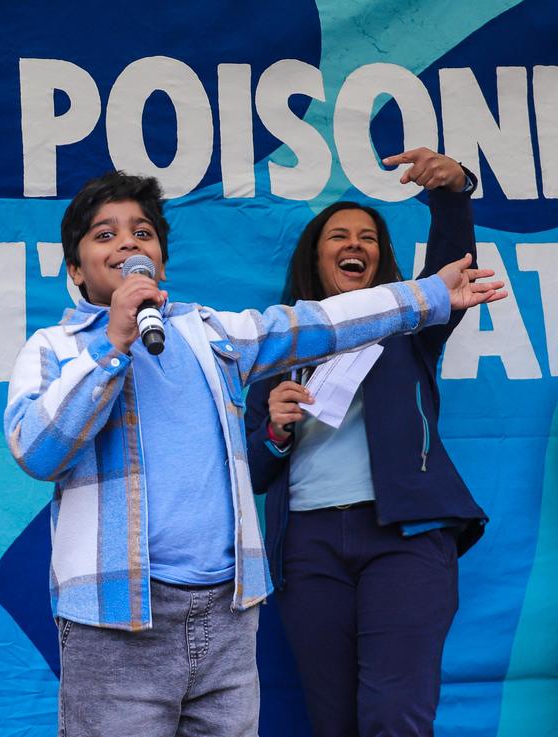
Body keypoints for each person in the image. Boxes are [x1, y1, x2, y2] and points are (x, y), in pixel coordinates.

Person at [2, 170, 505, 737]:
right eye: (104, 235)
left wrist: (430, 295)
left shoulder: (213, 333)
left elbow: (321, 320)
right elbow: (38, 452)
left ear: (161, 259)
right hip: (119, 616)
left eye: (143, 232)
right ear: (75, 269)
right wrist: (113, 345)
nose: (128, 244)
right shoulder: (54, 349)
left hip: (226, 612)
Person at [243, 148, 488, 737]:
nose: (354, 245)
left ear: (380, 258)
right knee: (334, 723)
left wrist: (453, 192)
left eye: (367, 237)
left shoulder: (412, 326)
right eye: (338, 236)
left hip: (404, 538)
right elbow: (250, 472)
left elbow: (452, 273)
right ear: (316, 254)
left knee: (393, 717)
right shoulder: (277, 346)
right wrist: (275, 431)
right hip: (309, 548)